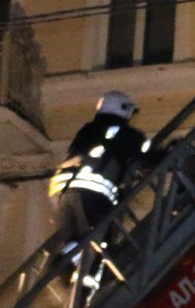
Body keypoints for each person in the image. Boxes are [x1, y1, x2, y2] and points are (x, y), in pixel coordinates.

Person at [48, 90, 154, 259]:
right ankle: (72, 267)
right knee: (99, 242)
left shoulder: (88, 129)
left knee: (74, 238)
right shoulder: (128, 134)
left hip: (60, 191)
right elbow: (147, 159)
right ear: (124, 109)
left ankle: (64, 268)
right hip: (92, 193)